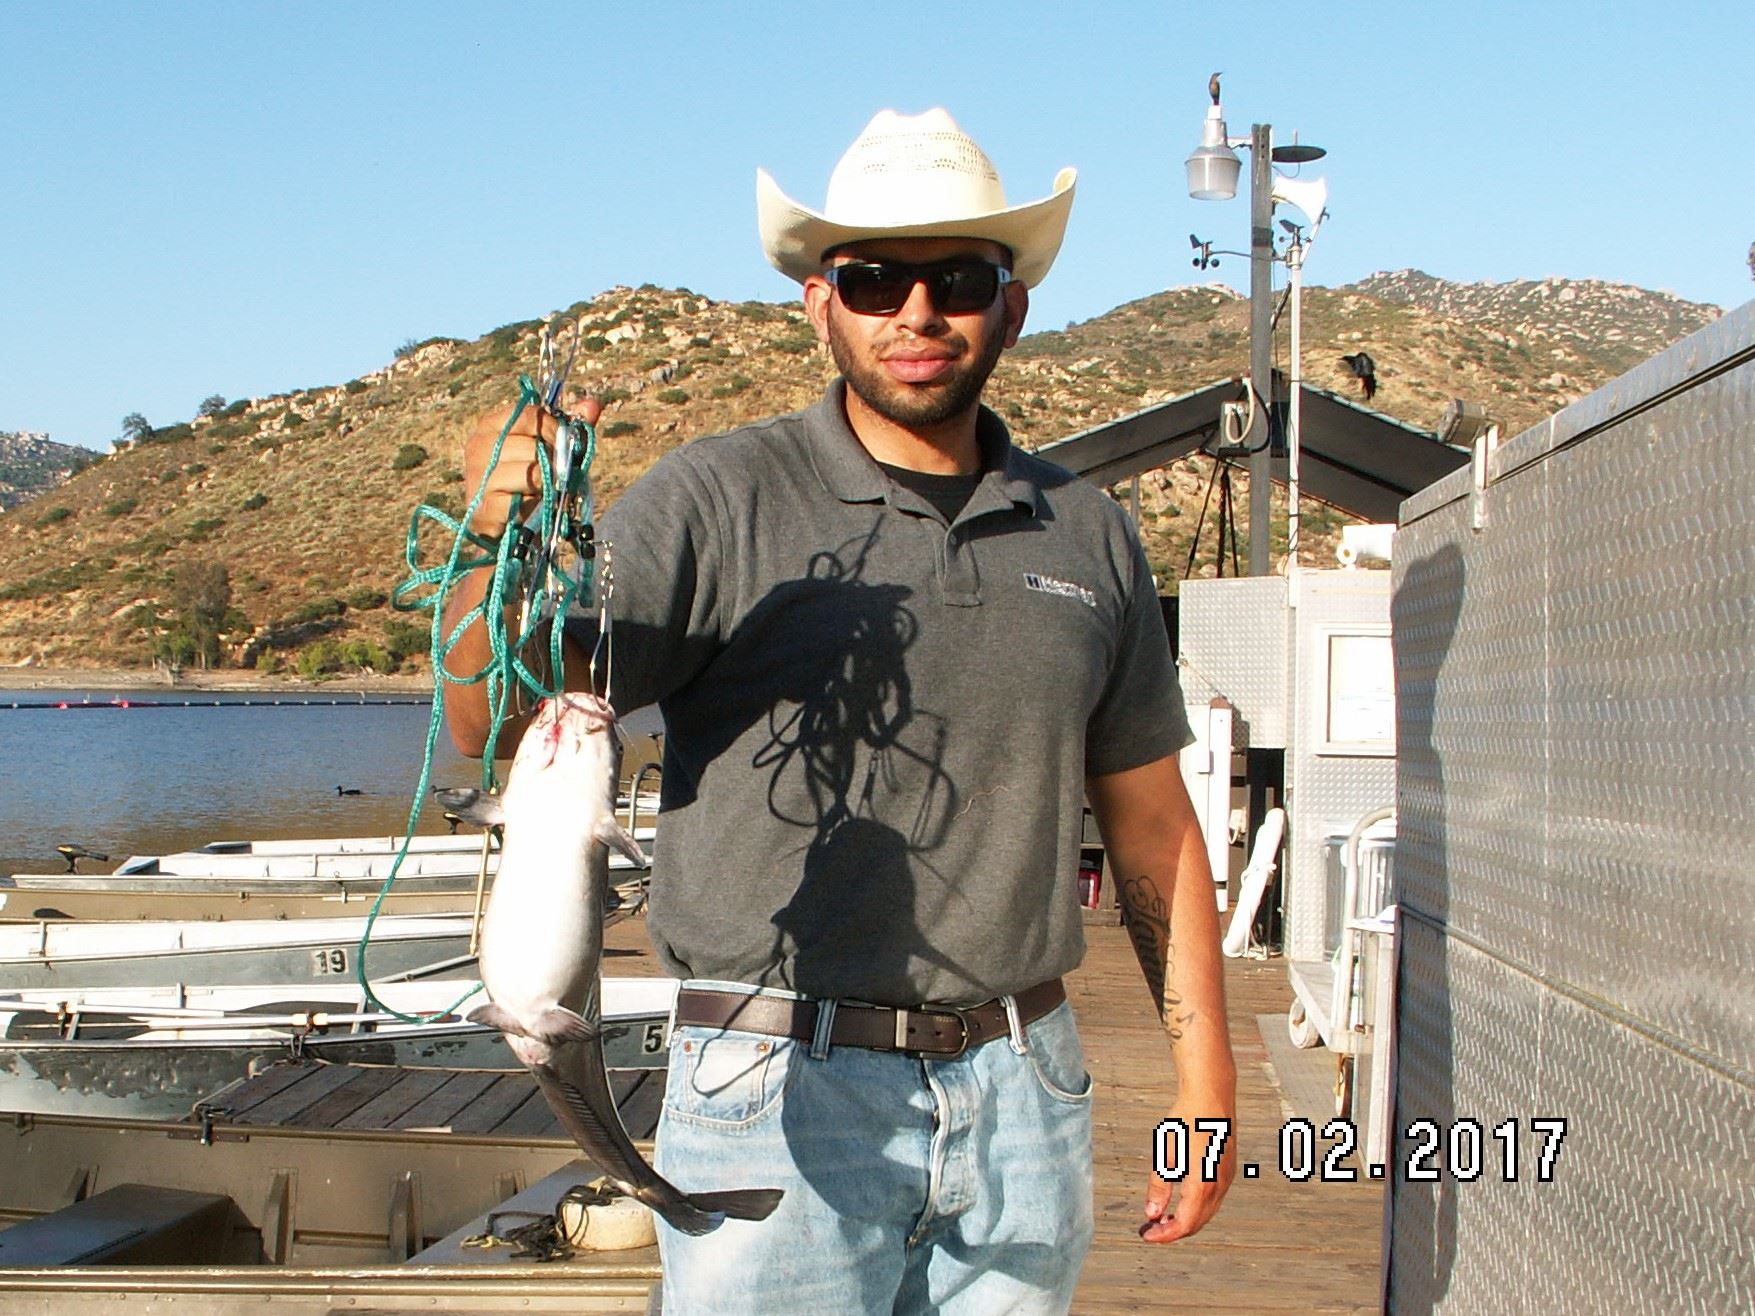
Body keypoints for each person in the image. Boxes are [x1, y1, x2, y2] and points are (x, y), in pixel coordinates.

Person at [442, 108, 1236, 1315]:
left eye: (957, 279)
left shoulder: (1089, 532)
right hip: (768, 1085)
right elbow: (491, 718)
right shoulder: (714, 497)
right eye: (874, 279)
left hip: (1026, 1086)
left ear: (1010, 307)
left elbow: (1155, 828)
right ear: (822, 304)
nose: (916, 313)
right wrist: (492, 545)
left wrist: (1207, 1077)